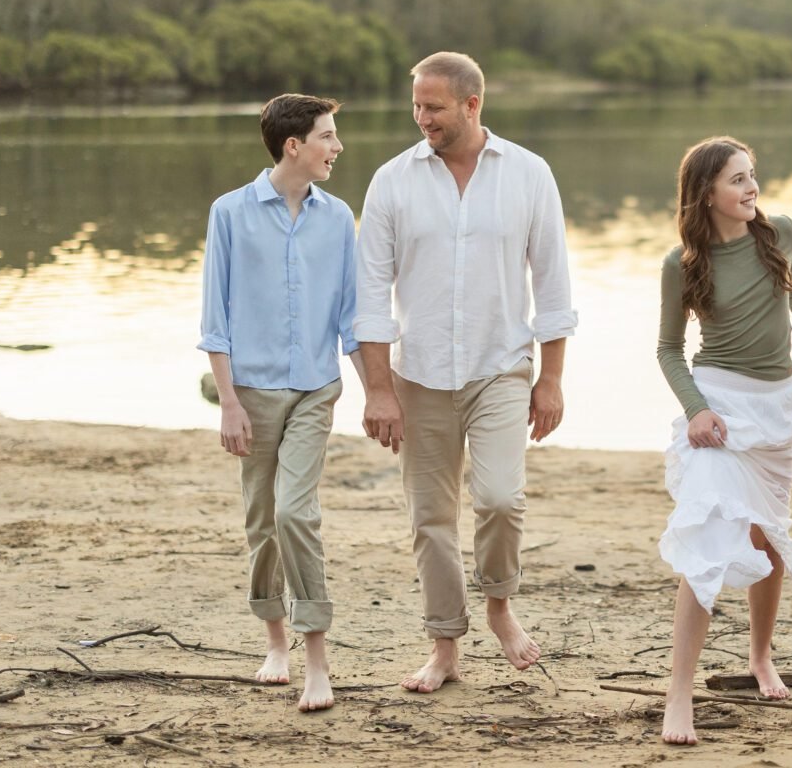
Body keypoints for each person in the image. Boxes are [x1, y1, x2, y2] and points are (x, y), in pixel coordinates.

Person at [355, 51, 577, 693]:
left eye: (435, 107)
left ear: (472, 105)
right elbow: (370, 295)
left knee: (502, 498)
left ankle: (500, 606)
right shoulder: (392, 181)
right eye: (417, 106)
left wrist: (552, 379)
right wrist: (378, 390)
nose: (422, 117)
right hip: (418, 376)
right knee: (430, 518)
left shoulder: (530, 174)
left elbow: (553, 284)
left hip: (501, 368)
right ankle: (445, 644)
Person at [655, 137, 792, 745]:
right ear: (706, 193)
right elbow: (668, 350)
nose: (751, 187)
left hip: (778, 406)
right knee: (708, 533)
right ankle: (679, 694)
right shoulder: (682, 263)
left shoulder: (777, 232)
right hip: (720, 404)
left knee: (768, 535)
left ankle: (760, 656)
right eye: (737, 179)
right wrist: (697, 409)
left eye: (752, 175)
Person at [198, 93, 364, 713]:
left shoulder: (338, 216)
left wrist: (380, 394)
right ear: (294, 145)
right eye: (327, 136)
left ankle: (316, 657)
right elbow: (215, 318)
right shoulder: (230, 214)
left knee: (297, 513)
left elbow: (352, 317)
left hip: (316, 389)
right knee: (261, 520)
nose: (337, 147)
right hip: (253, 392)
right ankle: (275, 641)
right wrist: (229, 403)